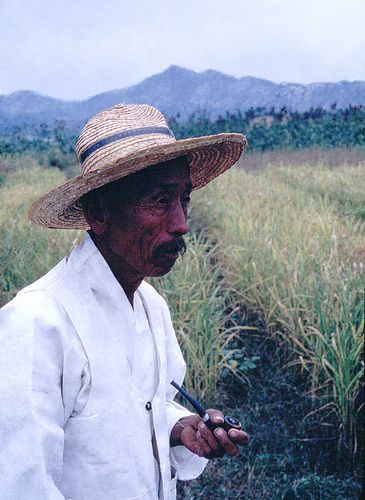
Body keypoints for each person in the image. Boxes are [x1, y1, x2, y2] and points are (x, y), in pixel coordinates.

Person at [0, 104, 248, 500]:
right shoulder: (37, 323)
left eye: (184, 198)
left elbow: (146, 407)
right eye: (160, 199)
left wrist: (182, 428)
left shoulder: (151, 306)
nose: (182, 222)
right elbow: (21, 485)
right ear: (99, 211)